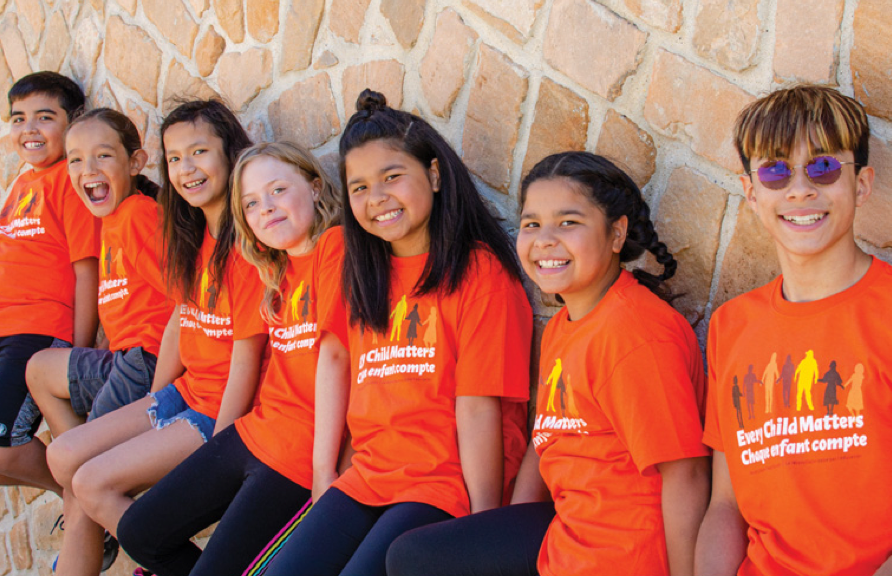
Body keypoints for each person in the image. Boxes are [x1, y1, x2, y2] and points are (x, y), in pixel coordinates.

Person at [387, 151, 710, 576]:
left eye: (568, 222)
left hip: (620, 551)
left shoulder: (636, 335)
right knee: (410, 555)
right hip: (568, 526)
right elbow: (546, 441)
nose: (544, 239)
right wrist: (504, 532)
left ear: (616, 234)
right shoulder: (564, 324)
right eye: (532, 224)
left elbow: (686, 474)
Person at [256, 89, 533, 576]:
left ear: (434, 174)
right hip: (369, 474)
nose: (376, 198)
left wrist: (480, 530)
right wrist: (328, 474)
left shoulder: (481, 274)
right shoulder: (365, 271)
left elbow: (478, 408)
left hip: (443, 482)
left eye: (392, 177)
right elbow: (348, 375)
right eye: (359, 187)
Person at [45, 100, 264, 576]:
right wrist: (155, 400)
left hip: (217, 410)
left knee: (93, 484)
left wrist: (219, 456)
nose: (186, 168)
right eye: (176, 158)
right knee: (62, 455)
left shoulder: (247, 241)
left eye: (199, 152)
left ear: (231, 153)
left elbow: (247, 359)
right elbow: (180, 319)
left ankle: (179, 561)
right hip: (185, 392)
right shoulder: (192, 232)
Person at [115, 141, 346, 576]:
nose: (267, 207)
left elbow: (338, 360)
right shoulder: (275, 270)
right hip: (255, 432)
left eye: (278, 190)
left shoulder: (335, 247)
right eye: (251, 203)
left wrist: (324, 470)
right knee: (139, 532)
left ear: (315, 187)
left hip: (299, 456)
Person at [695, 85, 892, 576]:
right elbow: (725, 506)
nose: (800, 189)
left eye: (823, 167)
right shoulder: (730, 326)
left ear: (861, 184)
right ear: (752, 193)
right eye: (775, 171)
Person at [27, 107, 171, 446]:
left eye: (102, 155)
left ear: (135, 163)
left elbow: (183, 298)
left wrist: (163, 386)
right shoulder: (111, 220)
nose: (88, 169)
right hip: (122, 358)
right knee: (40, 369)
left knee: (77, 457)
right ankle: (82, 457)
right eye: (75, 160)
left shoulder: (137, 215)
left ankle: (84, 461)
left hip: (147, 362)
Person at [0, 71, 100, 494]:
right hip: (6, 329)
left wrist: (78, 350)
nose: (29, 129)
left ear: (72, 121)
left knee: (3, 448)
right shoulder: (21, 185)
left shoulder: (69, 181)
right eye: (18, 118)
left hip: (38, 331)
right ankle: (77, 500)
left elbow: (87, 271)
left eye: (44, 117)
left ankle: (83, 499)